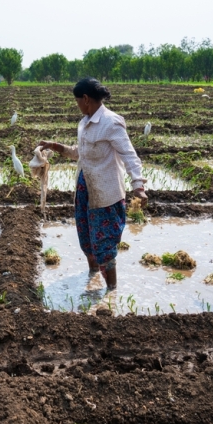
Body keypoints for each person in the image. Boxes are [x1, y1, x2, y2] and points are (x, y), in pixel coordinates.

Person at [39, 77, 148, 289]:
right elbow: (81, 153)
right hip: (85, 189)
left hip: (106, 193)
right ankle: (92, 278)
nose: (77, 104)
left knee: (105, 244)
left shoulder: (111, 122)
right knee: (86, 237)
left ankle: (111, 293)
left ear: (86, 99)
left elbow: (129, 155)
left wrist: (139, 187)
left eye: (77, 100)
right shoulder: (85, 123)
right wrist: (55, 146)